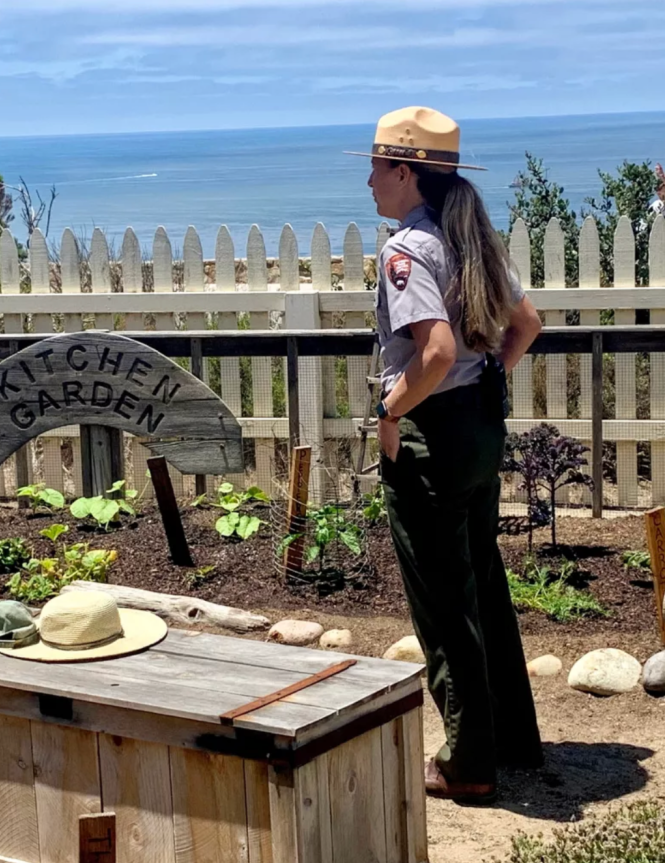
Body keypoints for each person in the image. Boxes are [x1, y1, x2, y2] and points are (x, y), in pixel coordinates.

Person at [346, 107, 545, 803]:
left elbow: (431, 352)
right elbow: (526, 324)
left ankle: (467, 761)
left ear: (404, 172)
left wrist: (389, 411)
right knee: (481, 581)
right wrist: (484, 381)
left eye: (375, 167)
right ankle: (512, 738)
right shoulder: (473, 237)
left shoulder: (407, 250)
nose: (368, 180)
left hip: (432, 435)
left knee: (440, 598)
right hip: (479, 426)